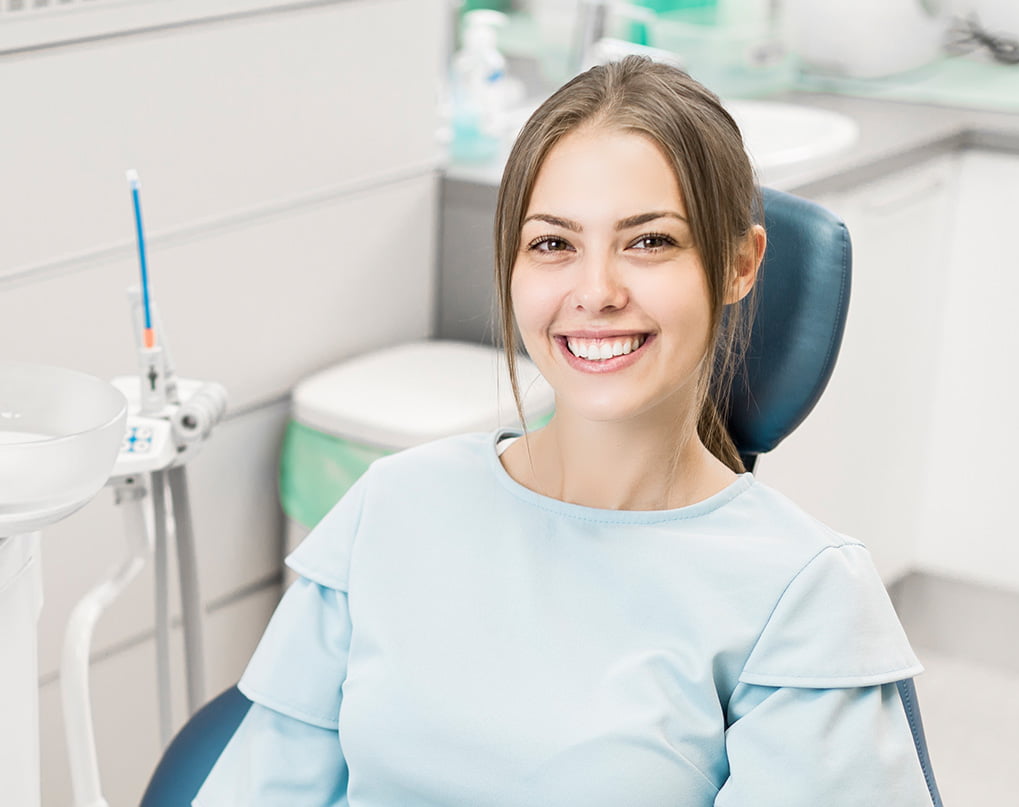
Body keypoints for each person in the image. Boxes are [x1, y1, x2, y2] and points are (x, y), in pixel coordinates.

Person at [194, 56, 941, 806]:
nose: (596, 292)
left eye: (650, 241)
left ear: (739, 263)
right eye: (554, 244)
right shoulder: (390, 506)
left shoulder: (802, 593)